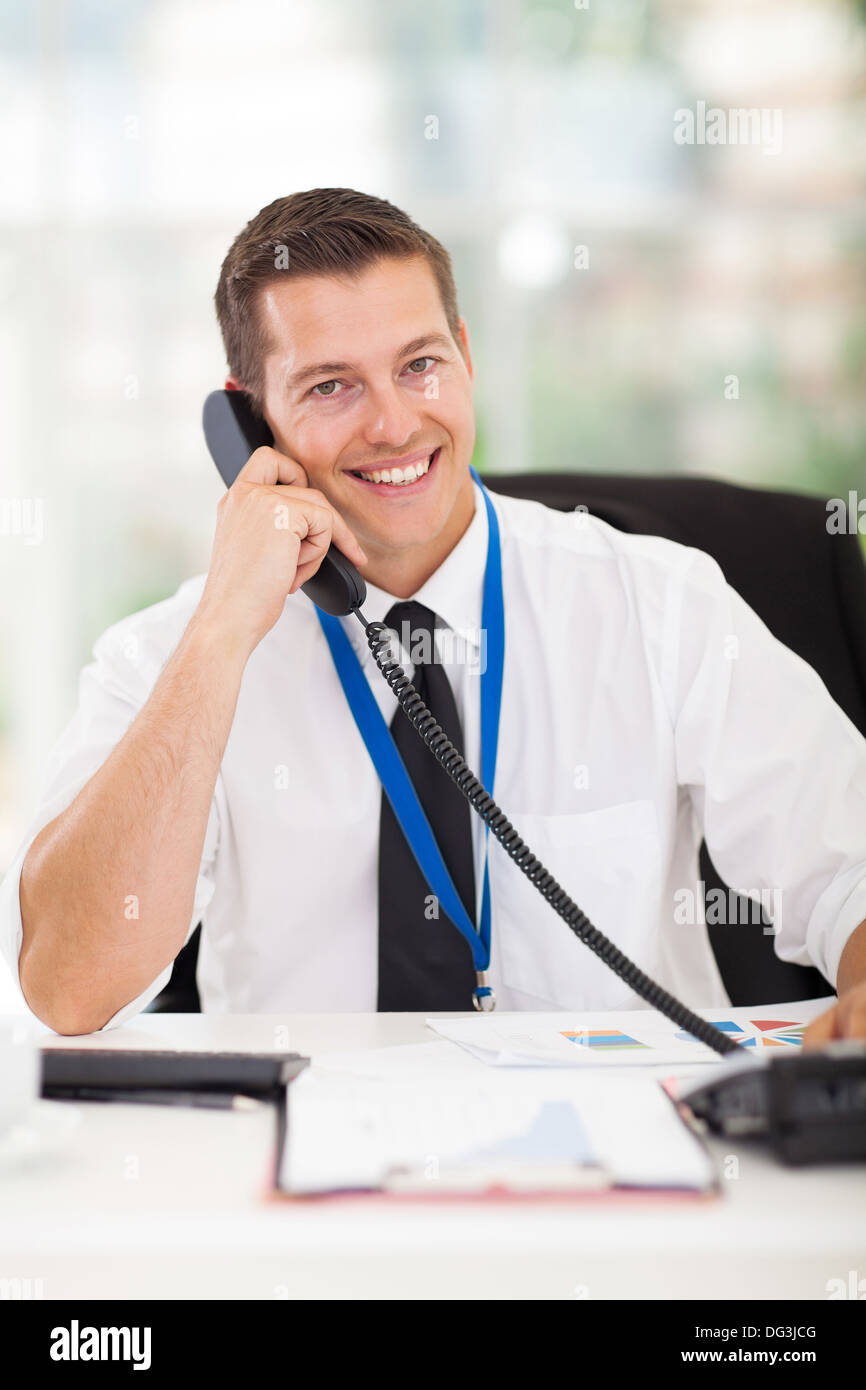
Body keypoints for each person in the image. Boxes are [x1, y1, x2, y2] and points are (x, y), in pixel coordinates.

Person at [4, 188, 866, 1042]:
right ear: (250, 421)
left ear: (466, 356)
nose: (393, 424)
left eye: (420, 365)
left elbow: (849, 869)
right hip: (303, 1123)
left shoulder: (656, 603)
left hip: (619, 1120)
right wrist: (221, 635)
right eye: (331, 386)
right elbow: (68, 989)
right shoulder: (167, 655)